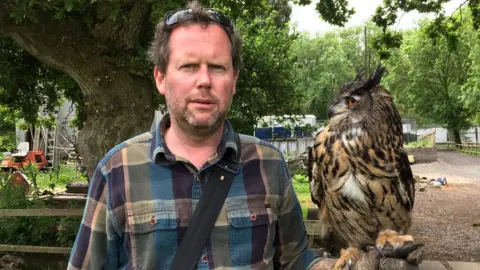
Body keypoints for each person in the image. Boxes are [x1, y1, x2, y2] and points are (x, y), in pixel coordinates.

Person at [67, 1, 422, 269]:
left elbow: (296, 260)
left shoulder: (267, 164)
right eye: (189, 66)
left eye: (217, 67)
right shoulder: (117, 170)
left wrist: (355, 264)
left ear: (233, 80)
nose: (203, 80)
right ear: (160, 77)